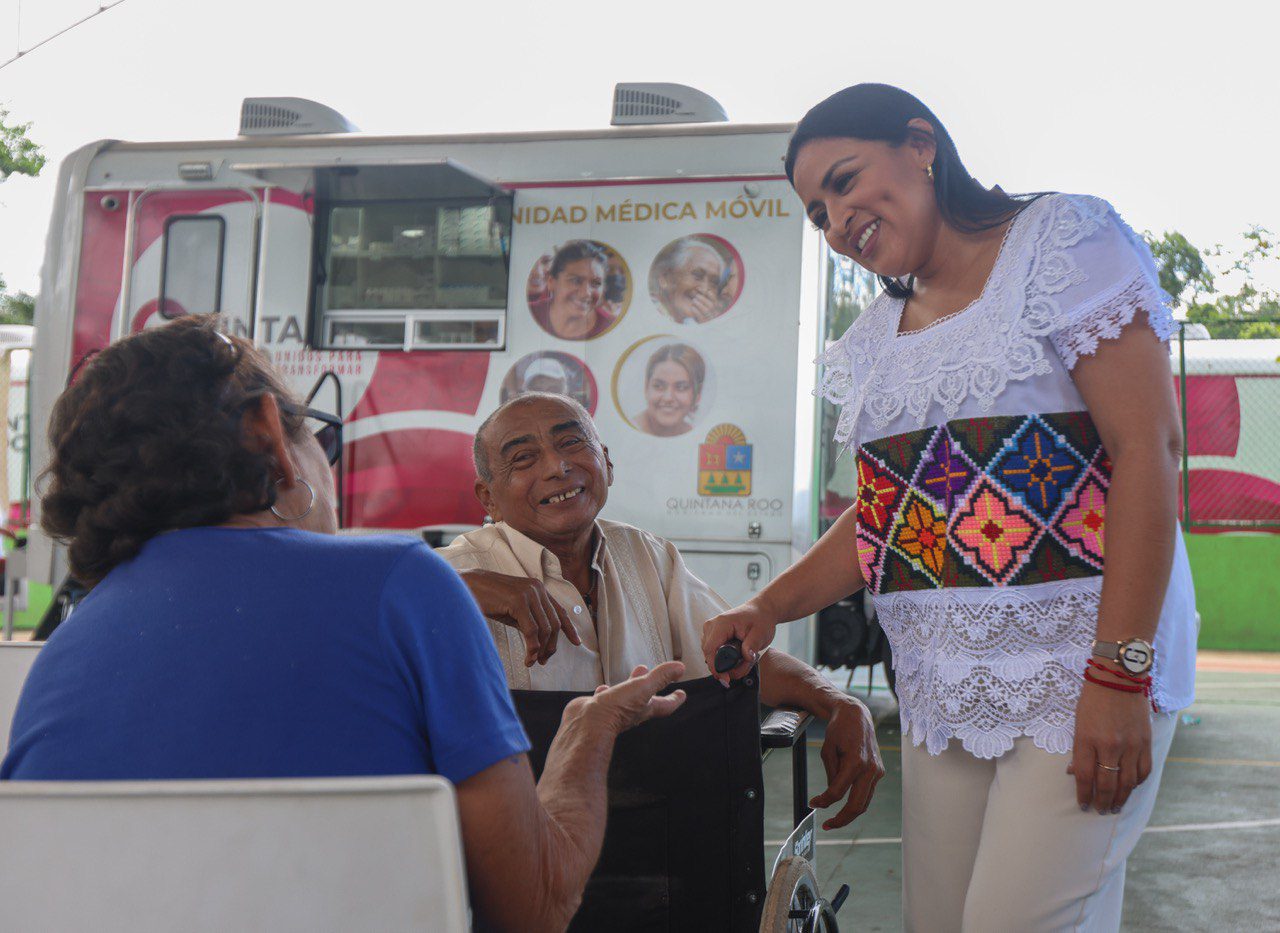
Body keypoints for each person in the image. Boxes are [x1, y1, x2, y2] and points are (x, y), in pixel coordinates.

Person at [1, 317, 687, 933]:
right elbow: (533, 909)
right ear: (270, 434)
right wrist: (585, 732)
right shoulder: (401, 582)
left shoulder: (67, 650)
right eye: (311, 427)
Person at [701, 83, 1197, 932]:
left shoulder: (1063, 244)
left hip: (1080, 669)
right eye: (817, 211)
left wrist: (1120, 673)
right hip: (945, 687)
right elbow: (888, 516)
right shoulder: (874, 341)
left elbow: (1149, 452)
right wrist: (766, 606)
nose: (837, 217)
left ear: (921, 144)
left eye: (846, 179)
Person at [439, 393, 884, 831]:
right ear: (488, 497)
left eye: (573, 443)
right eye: (523, 459)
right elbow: (374, 614)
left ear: (607, 463)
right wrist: (452, 590)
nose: (557, 467)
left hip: (648, 835)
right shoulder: (448, 577)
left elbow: (739, 651)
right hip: (518, 834)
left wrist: (838, 702)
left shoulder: (646, 555)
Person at [528, 240, 619, 340]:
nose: (586, 293)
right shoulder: (530, 315)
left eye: (596, 284)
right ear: (551, 282)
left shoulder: (613, 328)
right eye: (575, 280)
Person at [651, 237, 732, 324]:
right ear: (666, 278)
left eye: (714, 282)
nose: (704, 289)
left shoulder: (693, 323)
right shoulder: (647, 314)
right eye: (697, 275)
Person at [632, 343, 704, 437]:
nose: (668, 398)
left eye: (681, 387)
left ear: (697, 394)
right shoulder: (629, 430)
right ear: (646, 387)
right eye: (658, 386)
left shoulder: (696, 435)